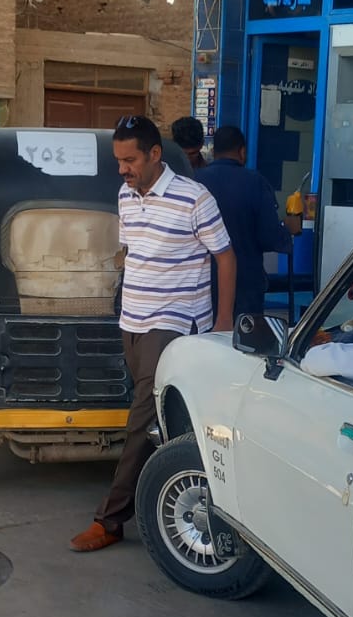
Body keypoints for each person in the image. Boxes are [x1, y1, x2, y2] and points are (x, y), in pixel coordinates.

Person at [70, 115, 236, 553]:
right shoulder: (126, 195)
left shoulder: (194, 197)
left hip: (174, 322)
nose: (122, 169)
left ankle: (109, 519)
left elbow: (224, 256)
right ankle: (184, 488)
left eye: (130, 160)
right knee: (159, 419)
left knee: (141, 417)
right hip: (133, 321)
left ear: (155, 154)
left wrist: (223, 321)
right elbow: (133, 250)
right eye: (118, 160)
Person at [196, 124, 294, 318]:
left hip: (200, 286)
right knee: (242, 336)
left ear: (213, 152)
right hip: (244, 287)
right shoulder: (255, 182)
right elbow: (269, 237)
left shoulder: (194, 181)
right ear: (242, 152)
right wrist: (287, 229)